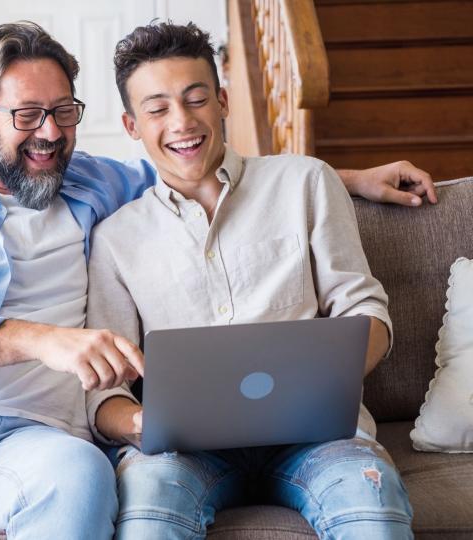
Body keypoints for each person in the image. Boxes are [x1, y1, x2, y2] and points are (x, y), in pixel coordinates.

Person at [0, 21, 433, 540]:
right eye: (27, 115)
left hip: (33, 438)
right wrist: (38, 339)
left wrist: (349, 182)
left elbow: (204, 167)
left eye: (63, 111)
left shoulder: (98, 188)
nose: (49, 132)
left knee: (81, 487)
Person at [87, 21, 415, 539]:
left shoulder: (305, 182)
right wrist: (137, 423)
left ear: (221, 100)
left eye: (196, 99)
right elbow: (104, 394)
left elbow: (366, 311)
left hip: (321, 437)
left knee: (370, 503)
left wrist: (327, 382)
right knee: (148, 510)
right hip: (185, 453)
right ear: (132, 126)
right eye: (157, 109)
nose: (181, 122)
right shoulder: (115, 239)